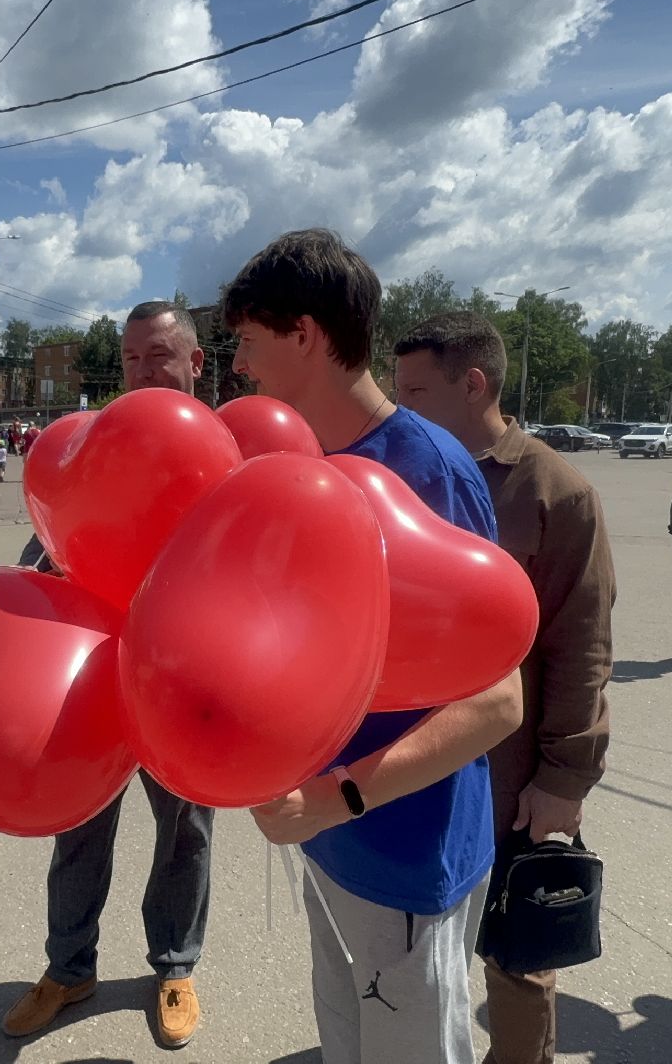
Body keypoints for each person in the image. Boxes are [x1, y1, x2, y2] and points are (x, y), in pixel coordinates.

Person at [225, 229, 525, 1064]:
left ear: (305, 335)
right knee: (348, 1045)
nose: (239, 365)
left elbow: (498, 701)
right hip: (327, 840)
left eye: (248, 341)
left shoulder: (428, 471)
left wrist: (340, 796)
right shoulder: (295, 460)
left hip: (403, 852)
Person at [394, 312, 614, 1064]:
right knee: (421, 934)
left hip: (511, 769)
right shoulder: (408, 474)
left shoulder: (554, 492)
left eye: (416, 391)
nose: (400, 409)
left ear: (474, 385)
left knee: (515, 948)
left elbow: (582, 647)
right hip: (419, 752)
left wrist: (564, 777)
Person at [2, 300, 218, 1050]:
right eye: (130, 358)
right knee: (78, 826)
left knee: (186, 832)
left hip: (183, 680)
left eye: (158, 355)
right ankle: (69, 969)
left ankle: (175, 967)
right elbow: (53, 538)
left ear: (195, 363)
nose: (142, 371)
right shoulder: (99, 445)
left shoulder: (225, 449)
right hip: (93, 675)